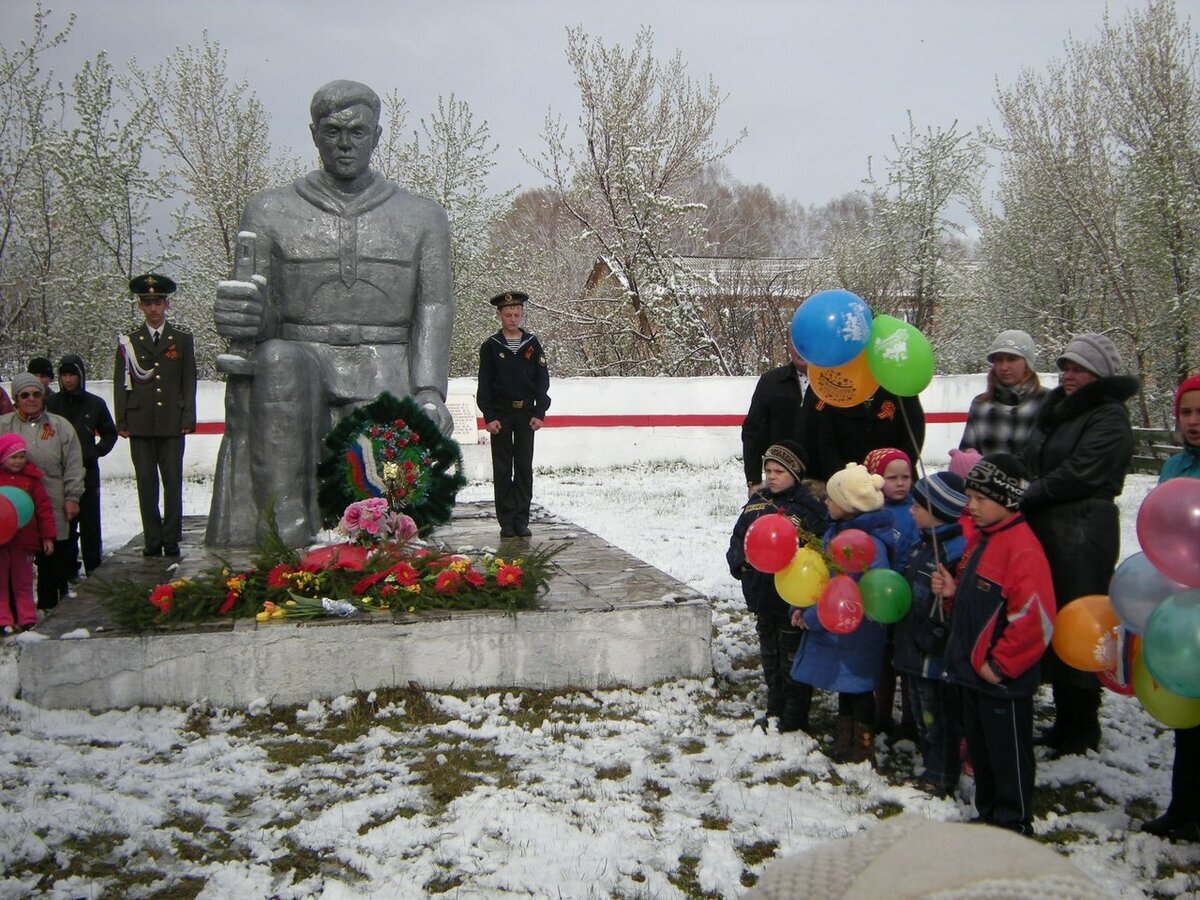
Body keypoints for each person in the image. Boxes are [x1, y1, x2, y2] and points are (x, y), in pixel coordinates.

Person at [209, 79, 455, 547]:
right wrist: (242, 317)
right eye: (333, 131)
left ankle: (382, 545)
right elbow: (263, 315)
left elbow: (434, 305)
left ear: (378, 136)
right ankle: (287, 546)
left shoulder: (422, 215)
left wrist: (428, 389)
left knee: (385, 454)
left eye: (358, 132)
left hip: (385, 365)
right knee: (277, 362)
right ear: (314, 133)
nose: (345, 143)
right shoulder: (268, 210)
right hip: (302, 359)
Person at [1021, 333, 1137, 758]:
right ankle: (1065, 717)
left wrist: (1029, 493)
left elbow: (1081, 472)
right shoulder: (1060, 414)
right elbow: (1035, 456)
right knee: (1057, 619)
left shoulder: (1109, 417)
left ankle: (1083, 722)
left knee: (1082, 618)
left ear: (1099, 374)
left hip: (1085, 531)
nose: (1068, 375)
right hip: (1052, 528)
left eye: (1078, 368)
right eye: (1065, 366)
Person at [933, 453, 1056, 836]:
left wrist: (1000, 665)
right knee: (983, 753)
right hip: (972, 674)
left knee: (1008, 756)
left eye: (980, 499)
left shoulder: (1022, 549)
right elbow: (974, 601)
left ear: (1008, 499)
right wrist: (952, 592)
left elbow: (1035, 618)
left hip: (1001, 682)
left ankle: (1013, 821)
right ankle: (988, 814)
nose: (971, 506)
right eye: (970, 497)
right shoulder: (983, 541)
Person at [790, 462, 893, 765]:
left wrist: (812, 617)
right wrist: (803, 603)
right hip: (845, 629)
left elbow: (845, 592)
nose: (825, 501)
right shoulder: (838, 532)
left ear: (848, 506)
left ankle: (862, 746)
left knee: (858, 687)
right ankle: (845, 739)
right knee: (848, 687)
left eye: (832, 498)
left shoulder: (862, 545)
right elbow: (821, 580)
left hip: (858, 630)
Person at [727, 440, 826, 733]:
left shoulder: (809, 508)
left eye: (779, 470)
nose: (771, 476)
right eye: (768, 469)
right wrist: (739, 561)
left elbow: (817, 549)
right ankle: (775, 706)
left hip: (791, 600)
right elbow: (738, 537)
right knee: (770, 655)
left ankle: (795, 715)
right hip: (762, 595)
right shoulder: (755, 505)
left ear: (795, 473)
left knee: (792, 658)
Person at [1140, 372, 1200, 842]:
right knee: (1187, 711)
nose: (1194, 421)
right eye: (1186, 412)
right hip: (1181, 606)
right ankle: (1183, 807)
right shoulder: (1173, 468)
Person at [893, 471, 968, 796]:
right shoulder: (920, 546)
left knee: (935, 714)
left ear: (936, 511)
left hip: (934, 655)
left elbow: (961, 603)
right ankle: (930, 762)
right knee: (921, 713)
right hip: (912, 646)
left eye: (917, 505)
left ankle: (941, 773)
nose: (911, 510)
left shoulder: (954, 552)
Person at [114, 274, 197, 558]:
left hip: (172, 422)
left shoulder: (182, 339)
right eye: (147, 303)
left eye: (158, 302)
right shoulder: (129, 341)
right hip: (140, 422)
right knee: (146, 483)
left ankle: (171, 538)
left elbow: (189, 380)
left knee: (172, 482)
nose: (153, 308)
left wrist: (188, 417)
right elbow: (120, 382)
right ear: (140, 306)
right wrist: (122, 420)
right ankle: (152, 539)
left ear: (167, 304)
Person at [0, 374, 83, 609]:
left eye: (36, 394)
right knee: (12, 562)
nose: (31, 399)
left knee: (53, 560)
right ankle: (14, 613)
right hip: (11, 505)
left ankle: (50, 608)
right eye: (25, 395)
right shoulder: (4, 425)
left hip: (53, 500)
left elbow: (74, 465)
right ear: (16, 399)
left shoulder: (59, 426)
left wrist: (72, 497)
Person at [477, 291, 550, 537]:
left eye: (517, 314)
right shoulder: (491, 346)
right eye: (508, 314)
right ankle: (506, 520)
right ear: (499, 315)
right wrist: (489, 416)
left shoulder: (532, 343)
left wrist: (540, 411)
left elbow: (542, 381)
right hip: (501, 413)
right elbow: (484, 384)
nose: (513, 318)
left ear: (522, 314)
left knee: (523, 465)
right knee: (502, 465)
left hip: (526, 413)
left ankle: (522, 518)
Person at [862, 446, 918, 738]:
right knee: (882, 660)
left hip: (911, 598)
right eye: (892, 477)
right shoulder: (872, 514)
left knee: (908, 662)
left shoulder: (917, 511)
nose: (900, 483)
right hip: (880, 599)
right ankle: (880, 713)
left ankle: (911, 720)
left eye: (906, 476)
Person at [46, 355, 118, 577]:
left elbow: (109, 433)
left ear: (80, 376)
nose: (68, 380)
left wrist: (94, 452)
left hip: (87, 470)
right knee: (65, 521)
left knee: (90, 522)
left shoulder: (94, 403)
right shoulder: (51, 404)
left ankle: (94, 568)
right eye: (64, 375)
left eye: (72, 375)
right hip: (59, 471)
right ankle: (68, 570)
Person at [741, 338, 823, 488]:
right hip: (779, 483)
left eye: (807, 341)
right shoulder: (770, 382)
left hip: (822, 483)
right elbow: (751, 431)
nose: (801, 349)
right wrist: (753, 481)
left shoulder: (833, 384)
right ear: (788, 346)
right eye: (795, 343)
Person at [0, 434, 57, 633]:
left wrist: (47, 536)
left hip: (24, 540)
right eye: (13, 457)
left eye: (21, 456)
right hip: (1, 541)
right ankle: (3, 620)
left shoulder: (32, 481)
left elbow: (44, 510)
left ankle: (26, 617)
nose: (18, 461)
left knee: (23, 581)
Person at [959, 329, 1048, 457]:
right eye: (998, 360)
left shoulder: (1047, 401)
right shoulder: (981, 404)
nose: (1004, 367)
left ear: (1027, 363)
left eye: (1012, 359)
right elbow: (968, 454)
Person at [814, 386, 924, 483]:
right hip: (847, 485)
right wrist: (844, 477)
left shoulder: (901, 390)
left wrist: (893, 476)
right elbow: (827, 443)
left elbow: (914, 438)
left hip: (896, 484)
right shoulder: (835, 392)